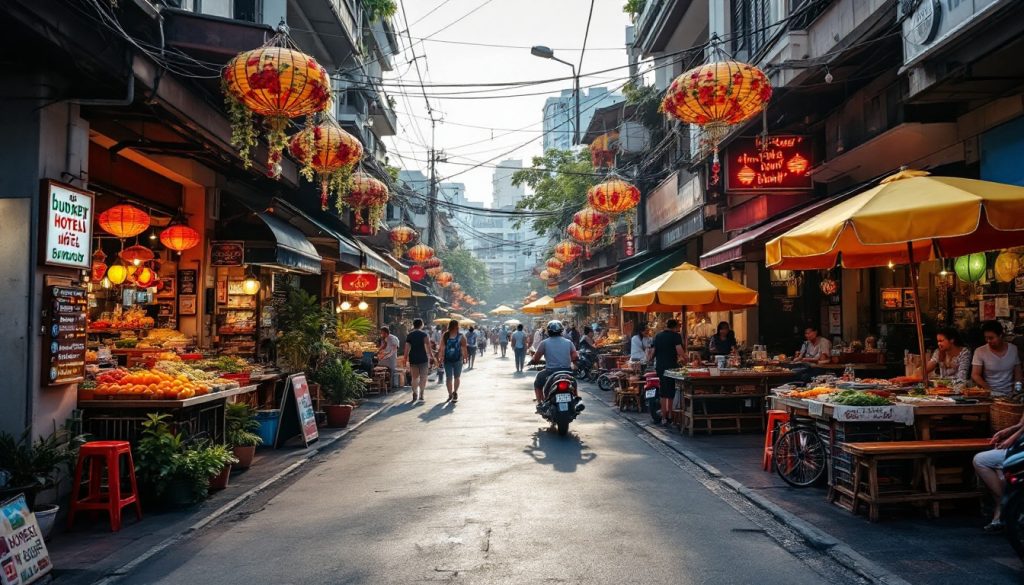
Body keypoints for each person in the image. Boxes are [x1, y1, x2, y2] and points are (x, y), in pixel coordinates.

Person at [529, 320, 578, 411]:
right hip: (567, 371)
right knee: (573, 382)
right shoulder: (568, 342)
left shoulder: (544, 343)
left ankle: (540, 403)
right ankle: (577, 401)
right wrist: (573, 364)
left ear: (548, 331)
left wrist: (533, 361)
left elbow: (536, 359)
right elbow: (575, 356)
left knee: (538, 382)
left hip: (550, 372)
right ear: (561, 331)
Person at [972, 320, 1023, 396]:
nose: (988, 341)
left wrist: (1017, 391)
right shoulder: (980, 351)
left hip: (1010, 394)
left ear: (1000, 335)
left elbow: (1018, 376)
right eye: (986, 338)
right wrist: (989, 389)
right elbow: (975, 375)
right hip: (990, 394)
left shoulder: (1013, 349)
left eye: (991, 338)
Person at [653, 319, 685, 425]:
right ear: (675, 327)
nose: (679, 328)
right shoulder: (676, 336)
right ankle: (670, 415)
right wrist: (687, 359)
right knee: (671, 390)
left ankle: (663, 417)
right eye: (678, 326)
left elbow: (653, 351)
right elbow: (679, 350)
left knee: (663, 391)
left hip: (660, 366)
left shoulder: (658, 336)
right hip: (671, 367)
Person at [437, 319, 468, 402]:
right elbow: (464, 348)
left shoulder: (446, 335)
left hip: (449, 359)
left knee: (449, 377)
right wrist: (465, 357)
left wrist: (440, 358)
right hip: (457, 359)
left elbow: (442, 348)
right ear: (457, 326)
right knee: (456, 377)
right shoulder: (461, 336)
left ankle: (451, 394)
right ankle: (454, 393)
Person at [404, 319, 430, 402]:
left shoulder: (410, 335)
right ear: (421, 325)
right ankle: (421, 394)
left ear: (413, 325)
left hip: (413, 358)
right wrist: (431, 356)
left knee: (414, 377)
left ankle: (415, 392)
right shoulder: (424, 334)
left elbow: (407, 348)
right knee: (423, 377)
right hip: (423, 358)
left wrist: (405, 358)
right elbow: (428, 346)